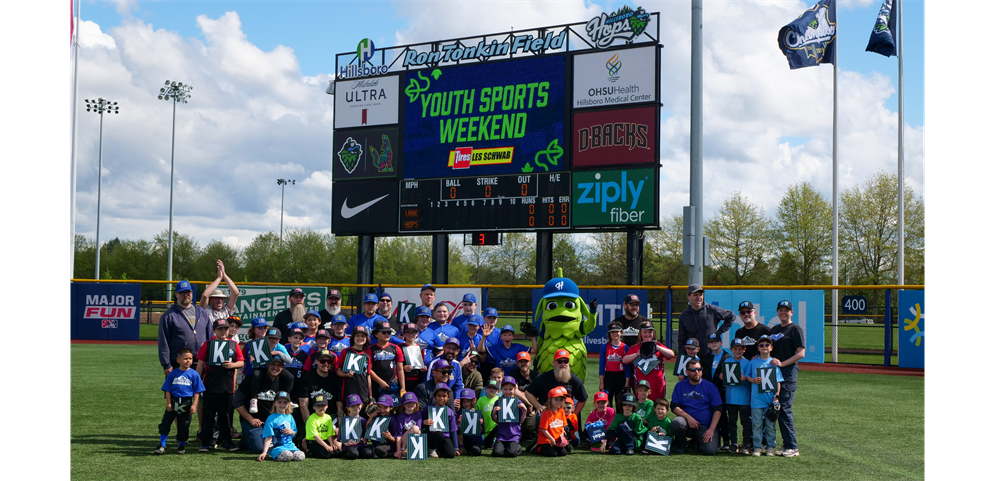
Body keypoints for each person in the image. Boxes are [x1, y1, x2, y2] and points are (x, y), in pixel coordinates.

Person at [195, 318, 244, 452]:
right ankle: (206, 442)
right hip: (210, 386)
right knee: (208, 415)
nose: (223, 331)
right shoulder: (208, 344)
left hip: (227, 387)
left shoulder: (234, 344)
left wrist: (232, 365)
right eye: (220, 329)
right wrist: (196, 380)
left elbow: (241, 362)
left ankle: (226, 441)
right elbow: (200, 363)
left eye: (225, 329)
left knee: (226, 416)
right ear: (214, 330)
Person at [234, 356, 295, 453]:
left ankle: (250, 438)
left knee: (285, 444)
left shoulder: (285, 381)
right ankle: (247, 439)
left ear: (283, 368)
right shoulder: (253, 379)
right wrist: (251, 419)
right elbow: (236, 401)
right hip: (255, 422)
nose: (275, 367)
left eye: (279, 365)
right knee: (260, 448)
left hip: (274, 423)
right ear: (267, 364)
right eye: (273, 364)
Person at [769, 300, 804, 458]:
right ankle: (786, 445)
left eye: (786, 310)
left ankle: (792, 446)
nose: (783, 312)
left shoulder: (795, 329)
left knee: (784, 408)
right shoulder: (774, 329)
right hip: (774, 374)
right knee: (777, 409)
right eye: (780, 310)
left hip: (788, 373)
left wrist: (782, 363)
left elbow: (801, 353)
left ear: (792, 312)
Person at [155, 348, 205, 455]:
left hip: (186, 402)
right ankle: (162, 445)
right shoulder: (173, 374)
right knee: (165, 423)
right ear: (178, 360)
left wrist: (194, 405)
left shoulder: (194, 374)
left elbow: (197, 391)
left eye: (190, 359)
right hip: (173, 401)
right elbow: (167, 389)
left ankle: (181, 445)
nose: (188, 361)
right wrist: (168, 403)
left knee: (184, 425)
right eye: (185, 358)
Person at [669, 359, 723, 455]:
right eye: (693, 370)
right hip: (686, 424)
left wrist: (711, 429)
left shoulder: (710, 386)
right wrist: (689, 418)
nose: (696, 372)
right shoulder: (679, 386)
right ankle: (681, 445)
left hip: (705, 426)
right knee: (677, 423)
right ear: (687, 372)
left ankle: (695, 442)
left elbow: (718, 409)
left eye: (699, 369)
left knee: (710, 451)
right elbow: (674, 406)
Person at [158, 280, 211, 376]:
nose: (186, 295)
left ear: (191, 293)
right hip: (178, 362)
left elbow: (210, 337)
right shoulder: (169, 315)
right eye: (182, 293)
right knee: (178, 390)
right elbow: (163, 341)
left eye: (188, 292)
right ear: (176, 294)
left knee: (199, 390)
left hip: (200, 362)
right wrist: (166, 364)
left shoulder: (202, 312)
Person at [747, 335, 783, 457]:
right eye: (761, 345)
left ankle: (771, 447)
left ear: (771, 348)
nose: (764, 347)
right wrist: (753, 380)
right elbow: (747, 376)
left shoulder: (773, 363)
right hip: (756, 400)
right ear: (758, 347)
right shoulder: (753, 362)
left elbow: (778, 382)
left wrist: (776, 397)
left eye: (767, 345)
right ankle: (757, 447)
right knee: (756, 425)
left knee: (770, 426)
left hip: (769, 400)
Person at [524, 349, 588, 417]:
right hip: (548, 413)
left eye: (565, 361)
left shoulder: (574, 379)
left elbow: (583, 399)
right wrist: (539, 406)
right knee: (539, 417)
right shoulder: (544, 377)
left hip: (565, 413)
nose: (563, 364)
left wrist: (574, 415)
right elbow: (528, 393)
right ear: (554, 362)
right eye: (560, 361)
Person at [621, 321, 675, 401]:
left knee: (658, 407)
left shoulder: (658, 345)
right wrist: (637, 354)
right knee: (642, 407)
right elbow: (625, 360)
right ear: (640, 333)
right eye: (645, 332)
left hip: (658, 384)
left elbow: (671, 354)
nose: (647, 334)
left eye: (650, 332)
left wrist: (657, 347)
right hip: (642, 385)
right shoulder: (635, 347)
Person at [677, 284, 735, 353]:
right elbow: (682, 340)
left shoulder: (712, 310)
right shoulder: (684, 316)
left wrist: (718, 333)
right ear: (688, 296)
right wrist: (682, 357)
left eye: (700, 294)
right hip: (693, 355)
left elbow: (731, 316)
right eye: (695, 295)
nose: (698, 297)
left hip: (710, 354)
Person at [700, 332, 732, 451]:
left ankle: (727, 441)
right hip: (708, 391)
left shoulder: (727, 357)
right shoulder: (706, 357)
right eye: (711, 342)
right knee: (711, 415)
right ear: (708, 344)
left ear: (721, 343)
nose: (714, 344)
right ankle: (716, 440)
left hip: (722, 391)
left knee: (723, 416)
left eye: (716, 341)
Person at [723, 338, 754, 455]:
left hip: (744, 398)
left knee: (745, 422)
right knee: (732, 421)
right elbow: (725, 382)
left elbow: (749, 380)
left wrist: (745, 379)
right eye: (735, 349)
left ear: (744, 350)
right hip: (730, 398)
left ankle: (746, 444)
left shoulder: (748, 363)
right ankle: (734, 443)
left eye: (740, 349)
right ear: (731, 350)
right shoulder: (727, 362)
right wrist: (723, 377)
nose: (737, 351)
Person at [257, 391, 305, 462]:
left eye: (285, 402)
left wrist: (291, 432)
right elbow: (268, 436)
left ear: (288, 404)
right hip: (277, 447)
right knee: (287, 455)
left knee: (301, 456)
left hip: (290, 446)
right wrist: (264, 452)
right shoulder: (271, 418)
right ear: (275, 403)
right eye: (279, 402)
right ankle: (273, 454)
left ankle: (283, 454)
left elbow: (294, 433)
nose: (282, 404)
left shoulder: (290, 417)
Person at [336, 326, 373, 412]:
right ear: (353, 338)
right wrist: (347, 374)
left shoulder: (367, 356)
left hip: (362, 392)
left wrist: (370, 396)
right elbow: (338, 371)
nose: (360, 338)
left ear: (366, 339)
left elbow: (368, 376)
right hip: (348, 391)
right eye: (357, 336)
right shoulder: (346, 352)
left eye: (363, 336)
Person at [490, 377, 527, 458]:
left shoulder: (518, 402)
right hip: (501, 435)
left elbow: (521, 421)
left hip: (514, 435)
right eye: (505, 389)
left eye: (511, 389)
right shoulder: (498, 402)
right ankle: (505, 447)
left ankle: (517, 447)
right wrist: (494, 413)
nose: (508, 391)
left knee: (511, 453)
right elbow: (496, 421)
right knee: (497, 453)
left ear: (515, 389)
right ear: (502, 389)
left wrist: (524, 411)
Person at [370, 320, 405, 401]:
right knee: (379, 410)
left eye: (389, 332)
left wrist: (403, 387)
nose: (387, 334)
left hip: (393, 384)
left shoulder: (396, 348)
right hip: (376, 385)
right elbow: (369, 370)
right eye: (384, 332)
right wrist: (380, 382)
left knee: (393, 410)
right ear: (376, 334)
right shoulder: (370, 349)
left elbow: (400, 369)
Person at [422, 383, 460, 458]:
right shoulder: (428, 408)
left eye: (444, 396)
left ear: (448, 397)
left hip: (445, 436)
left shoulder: (449, 411)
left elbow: (453, 430)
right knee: (438, 434)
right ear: (434, 396)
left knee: (450, 455)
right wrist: (424, 422)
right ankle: (431, 449)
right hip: (432, 435)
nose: (441, 398)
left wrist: (456, 448)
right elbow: (420, 421)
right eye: (439, 396)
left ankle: (439, 449)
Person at [599, 321, 631, 408]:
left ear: (621, 333)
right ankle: (609, 420)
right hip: (609, 377)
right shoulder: (605, 347)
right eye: (613, 332)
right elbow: (601, 366)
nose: (615, 334)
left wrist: (627, 383)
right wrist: (601, 382)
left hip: (621, 377)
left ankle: (619, 421)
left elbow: (627, 367)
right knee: (607, 402)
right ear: (609, 333)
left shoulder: (625, 347)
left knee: (620, 402)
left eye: (617, 331)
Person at [425, 338, 464, 406]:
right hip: (434, 400)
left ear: (458, 351)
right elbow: (428, 387)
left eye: (454, 349)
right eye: (449, 348)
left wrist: (457, 399)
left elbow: (458, 386)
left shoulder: (457, 365)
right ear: (443, 348)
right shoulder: (433, 363)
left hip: (449, 398)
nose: (451, 351)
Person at [304, 393, 341, 459]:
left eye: (323, 405)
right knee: (327, 454)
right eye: (318, 405)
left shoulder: (328, 417)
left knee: (337, 451)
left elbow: (329, 433)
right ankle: (310, 452)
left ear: (327, 406)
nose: (321, 408)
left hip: (325, 440)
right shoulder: (311, 419)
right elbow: (315, 436)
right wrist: (326, 446)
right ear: (313, 407)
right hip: (314, 442)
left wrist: (331, 444)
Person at [536, 386, 569, 457]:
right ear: (550, 400)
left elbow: (562, 426)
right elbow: (543, 429)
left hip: (557, 438)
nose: (558, 402)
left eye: (560, 399)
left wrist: (562, 436)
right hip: (546, 439)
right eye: (556, 399)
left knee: (563, 453)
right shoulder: (546, 412)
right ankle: (538, 448)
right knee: (553, 454)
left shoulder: (561, 411)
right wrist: (551, 439)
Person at [339, 394, 373, 459]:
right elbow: (340, 437)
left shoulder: (363, 420)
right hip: (348, 446)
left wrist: (365, 439)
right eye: (353, 406)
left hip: (360, 445)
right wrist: (345, 443)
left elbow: (365, 434)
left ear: (362, 405)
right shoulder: (344, 421)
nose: (356, 407)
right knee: (353, 454)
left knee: (368, 453)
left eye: (358, 405)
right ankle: (347, 452)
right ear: (348, 408)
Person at [391, 392, 424, 459]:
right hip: (403, 439)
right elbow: (399, 435)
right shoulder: (401, 416)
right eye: (407, 403)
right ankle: (403, 450)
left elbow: (419, 430)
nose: (410, 404)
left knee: (418, 431)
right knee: (415, 428)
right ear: (403, 405)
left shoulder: (418, 413)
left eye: (412, 402)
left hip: (413, 438)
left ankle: (412, 450)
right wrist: (398, 450)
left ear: (416, 403)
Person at [457, 388, 484, 456]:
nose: (466, 404)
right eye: (464, 402)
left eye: (468, 401)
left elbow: (481, 431)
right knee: (458, 427)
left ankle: (470, 449)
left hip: (475, 440)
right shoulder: (460, 413)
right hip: (464, 440)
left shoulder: (478, 414)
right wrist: (458, 421)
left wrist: (479, 424)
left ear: (474, 400)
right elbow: (454, 427)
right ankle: (462, 447)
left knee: (476, 451)